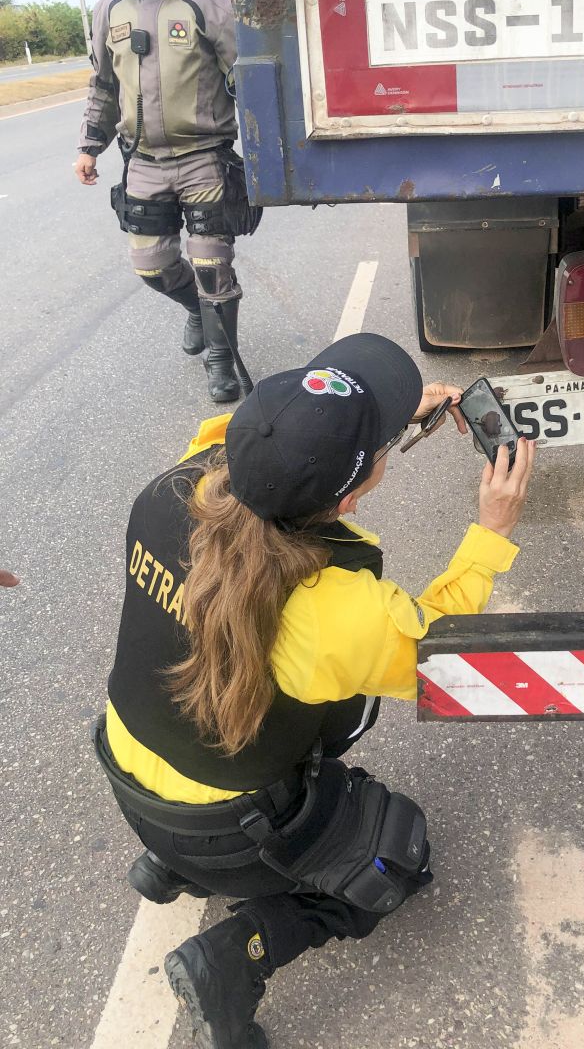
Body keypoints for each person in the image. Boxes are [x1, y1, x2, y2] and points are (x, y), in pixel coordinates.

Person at [93, 332, 533, 1049]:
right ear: (354, 495)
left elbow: (258, 439)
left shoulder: (176, 482)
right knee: (399, 857)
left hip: (126, 769)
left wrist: (376, 419)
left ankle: (171, 864)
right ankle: (238, 956)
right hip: (229, 829)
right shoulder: (334, 614)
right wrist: (493, 531)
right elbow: (441, 655)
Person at [75, 0, 254, 403]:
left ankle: (221, 361)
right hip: (144, 161)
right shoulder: (109, 8)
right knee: (151, 266)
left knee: (211, 264)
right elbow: (103, 86)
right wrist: (90, 145)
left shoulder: (210, 4)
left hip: (204, 158)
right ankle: (196, 312)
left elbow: (244, 79)